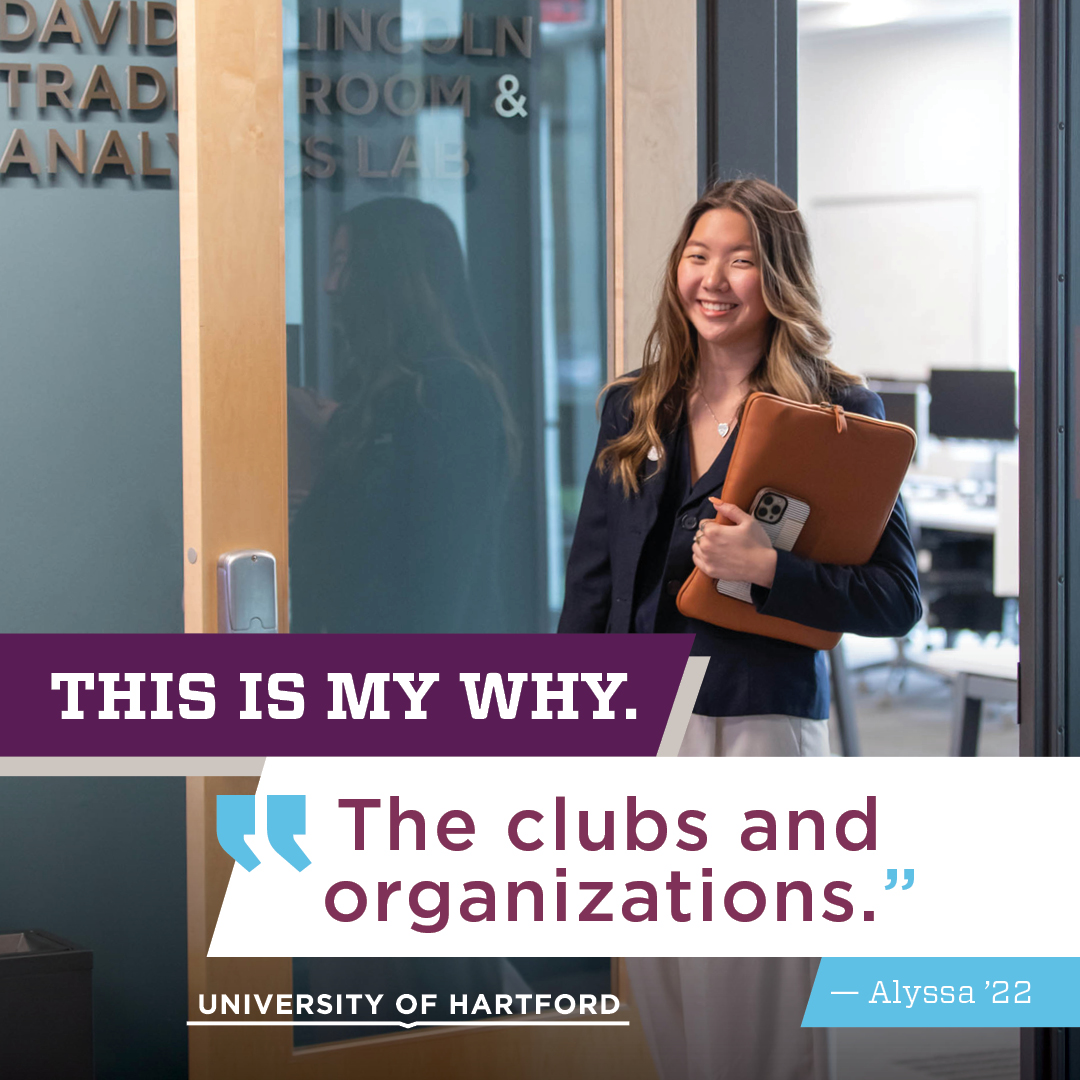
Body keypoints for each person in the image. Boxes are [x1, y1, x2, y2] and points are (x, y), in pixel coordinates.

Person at [557, 178, 921, 1079]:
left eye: (742, 260)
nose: (713, 280)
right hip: (647, 733)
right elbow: (592, 586)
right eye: (697, 256)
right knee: (670, 1002)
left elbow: (895, 596)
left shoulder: (837, 412)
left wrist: (770, 570)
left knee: (756, 1021)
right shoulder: (635, 406)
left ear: (780, 278)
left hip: (759, 730)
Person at [289, 196, 518, 633]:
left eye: (344, 263)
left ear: (389, 275)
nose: (330, 285)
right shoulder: (388, 399)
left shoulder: (449, 396)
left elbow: (439, 579)